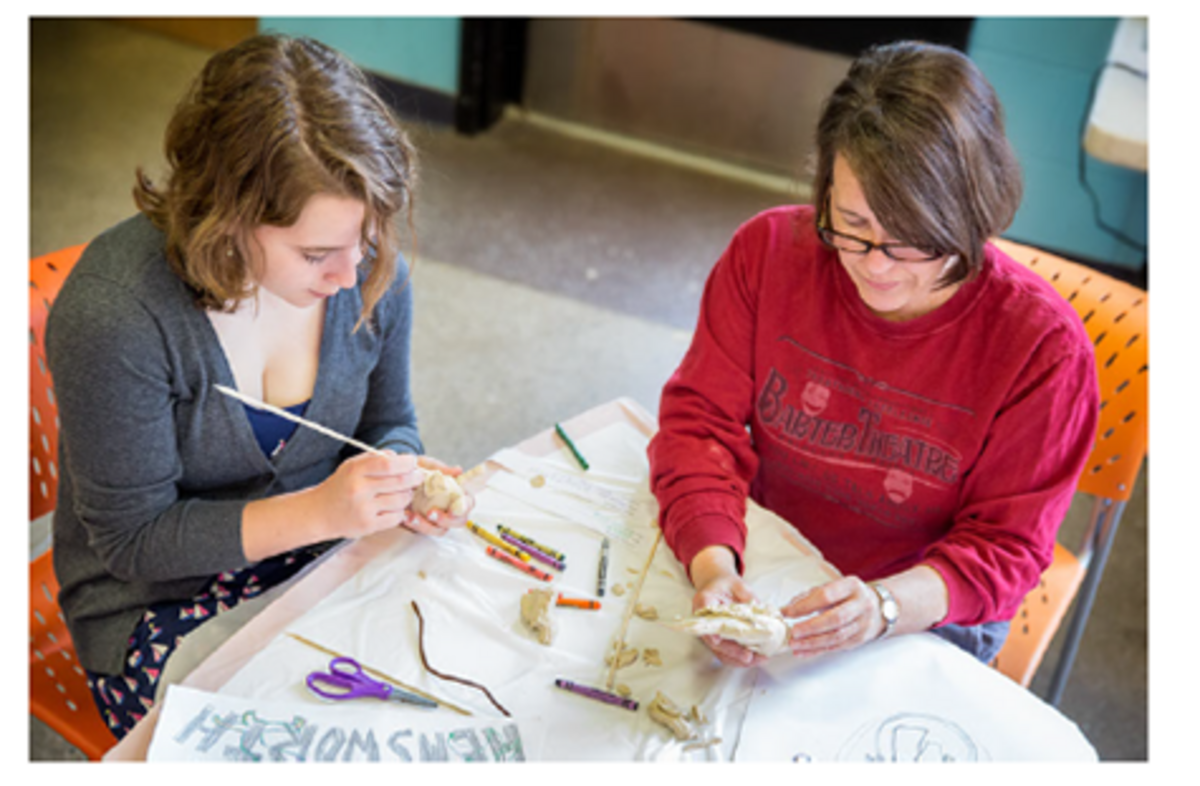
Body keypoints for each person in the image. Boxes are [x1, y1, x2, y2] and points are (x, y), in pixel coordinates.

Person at [45, 34, 472, 739]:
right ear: (229, 218)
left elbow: (389, 421)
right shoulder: (116, 315)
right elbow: (133, 542)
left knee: (440, 685)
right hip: (157, 600)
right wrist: (323, 512)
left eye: (364, 240)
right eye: (314, 253)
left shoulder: (371, 270)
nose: (348, 275)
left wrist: (398, 473)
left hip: (314, 553)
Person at [647, 40, 1099, 669]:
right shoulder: (769, 253)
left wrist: (883, 608)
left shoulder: (1044, 350)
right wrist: (713, 566)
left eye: (910, 238)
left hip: (925, 605)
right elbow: (701, 428)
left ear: (973, 213)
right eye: (852, 224)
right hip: (771, 555)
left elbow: (1004, 551)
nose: (875, 267)